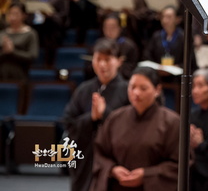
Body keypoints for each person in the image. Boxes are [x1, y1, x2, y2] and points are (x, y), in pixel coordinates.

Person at [92, 67, 180, 191]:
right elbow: (99, 153)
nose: (136, 93)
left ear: (157, 90)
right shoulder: (115, 118)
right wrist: (112, 169)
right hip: (118, 185)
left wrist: (147, 175)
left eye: (143, 88)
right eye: (132, 87)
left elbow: (180, 164)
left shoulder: (172, 122)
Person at [63, 38, 129, 191]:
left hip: (114, 157)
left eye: (108, 59)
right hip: (84, 155)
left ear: (119, 61)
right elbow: (68, 121)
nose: (102, 65)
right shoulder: (84, 89)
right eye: (98, 59)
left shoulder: (127, 90)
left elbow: (129, 125)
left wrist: (104, 113)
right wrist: (91, 117)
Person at [0, 2, 39, 81]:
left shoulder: (30, 34)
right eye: (10, 14)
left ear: (24, 15)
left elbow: (32, 56)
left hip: (20, 73)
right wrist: (5, 52)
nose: (12, 17)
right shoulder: (2, 33)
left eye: (16, 14)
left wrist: (12, 51)